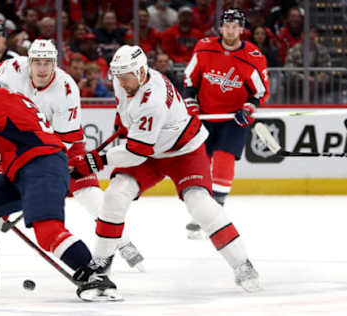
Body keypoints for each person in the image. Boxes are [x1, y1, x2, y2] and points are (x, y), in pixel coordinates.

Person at [69, 45, 261, 296]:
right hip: (150, 148)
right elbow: (129, 118)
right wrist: (124, 123)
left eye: (126, 77)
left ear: (140, 72)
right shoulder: (125, 79)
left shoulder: (153, 100)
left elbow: (137, 151)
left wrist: (93, 162)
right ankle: (101, 262)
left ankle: (242, 264)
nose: (121, 82)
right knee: (116, 193)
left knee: (200, 203)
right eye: (118, 76)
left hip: (183, 151)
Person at [0, 72, 119, 301]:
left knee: (48, 231)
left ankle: (95, 276)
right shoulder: (13, 100)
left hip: (39, 166)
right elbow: (14, 148)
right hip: (26, 169)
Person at [0, 39, 144, 270]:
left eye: (48, 63)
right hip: (20, 143)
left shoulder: (66, 88)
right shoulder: (11, 69)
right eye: (38, 63)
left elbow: (64, 139)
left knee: (89, 193)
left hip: (62, 142)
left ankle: (122, 242)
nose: (42, 69)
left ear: (55, 63)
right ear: (29, 63)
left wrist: (39, 169)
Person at [183, 9, 269, 239]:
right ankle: (203, 211)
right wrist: (191, 103)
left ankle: (215, 211)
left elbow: (259, 91)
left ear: (242, 29)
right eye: (227, 26)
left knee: (223, 159)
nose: (230, 30)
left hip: (234, 118)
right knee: (201, 163)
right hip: (206, 115)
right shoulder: (204, 47)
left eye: (235, 26)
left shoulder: (253, 55)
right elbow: (190, 79)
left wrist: (249, 108)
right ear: (220, 28)